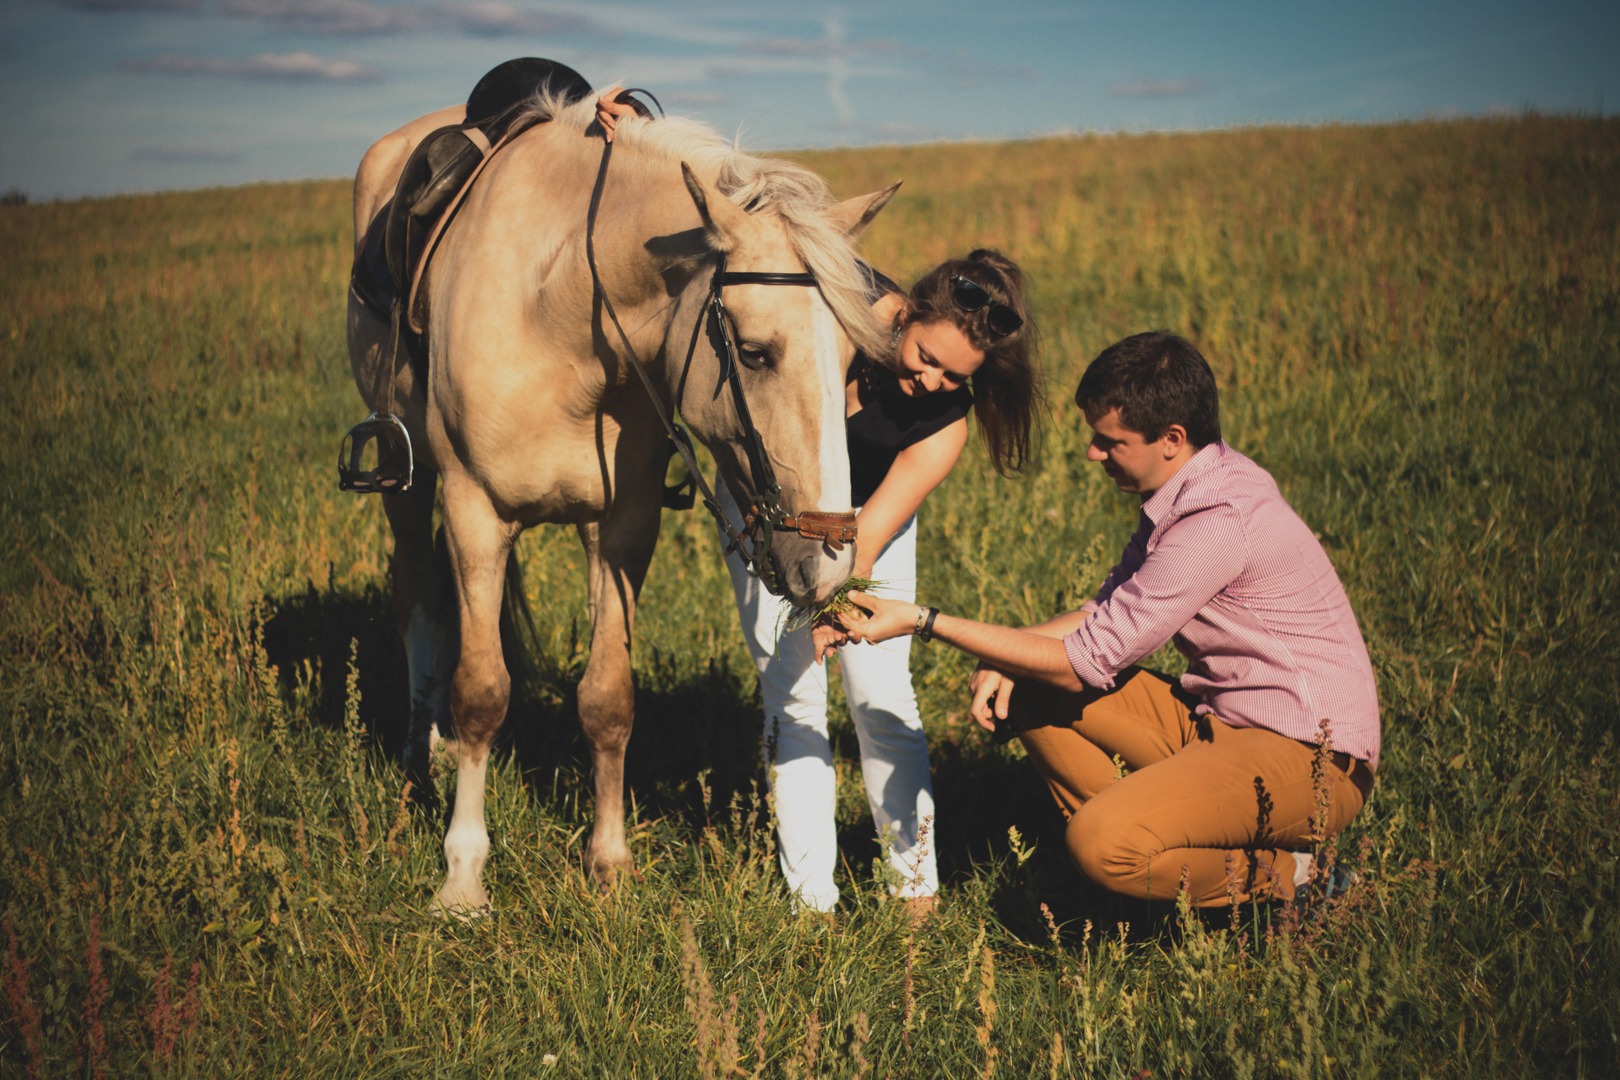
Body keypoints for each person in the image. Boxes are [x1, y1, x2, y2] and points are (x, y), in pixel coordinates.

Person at [598, 87, 1045, 914]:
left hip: (865, 527)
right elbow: (739, 219)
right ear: (900, 309)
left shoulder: (945, 419)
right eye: (924, 356)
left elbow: (877, 521)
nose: (931, 380)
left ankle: (914, 892)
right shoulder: (829, 311)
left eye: (956, 377)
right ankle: (813, 902)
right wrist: (631, 132)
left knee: (881, 695)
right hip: (769, 511)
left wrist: (839, 596)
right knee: (791, 692)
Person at [833, 331, 1379, 908]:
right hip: (1224, 723)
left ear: (1172, 439)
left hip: (1313, 763)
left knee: (1101, 842)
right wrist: (1000, 656)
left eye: (1109, 440)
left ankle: (1294, 877)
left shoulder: (1216, 523)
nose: (1093, 452)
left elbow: (1080, 664)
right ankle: (1154, 856)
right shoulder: (1192, 487)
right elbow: (1101, 613)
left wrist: (924, 620)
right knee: (1022, 683)